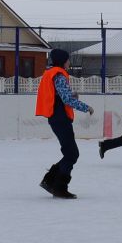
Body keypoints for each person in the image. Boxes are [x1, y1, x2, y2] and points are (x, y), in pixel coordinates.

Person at [35, 48, 94, 199]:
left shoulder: (50, 73)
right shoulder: (59, 75)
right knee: (72, 153)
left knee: (70, 153)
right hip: (59, 118)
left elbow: (59, 95)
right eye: (68, 60)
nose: (69, 62)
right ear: (63, 61)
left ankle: (50, 181)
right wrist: (86, 107)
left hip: (56, 117)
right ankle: (59, 187)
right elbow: (66, 99)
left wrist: (71, 94)